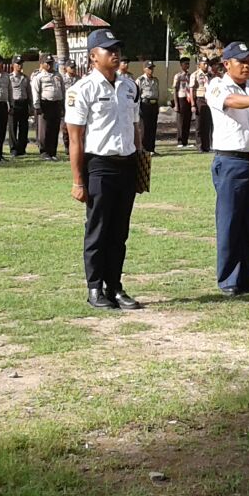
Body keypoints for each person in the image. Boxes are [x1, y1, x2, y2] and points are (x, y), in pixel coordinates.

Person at [65, 29, 143, 311]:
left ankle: (115, 286)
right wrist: (78, 180)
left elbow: (135, 127)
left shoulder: (129, 87)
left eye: (117, 49)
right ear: (92, 56)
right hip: (99, 166)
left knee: (120, 231)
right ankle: (95, 288)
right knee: (98, 229)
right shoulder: (82, 90)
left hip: (127, 164)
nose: (115, 54)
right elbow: (75, 138)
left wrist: (140, 161)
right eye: (108, 49)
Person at [207, 42, 249, 296]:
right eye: (241, 61)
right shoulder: (217, 86)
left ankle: (248, 277)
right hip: (231, 161)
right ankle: (228, 279)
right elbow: (232, 102)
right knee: (230, 221)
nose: (247, 66)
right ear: (227, 64)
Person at [31, 56, 65, 161]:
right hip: (45, 104)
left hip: (57, 103)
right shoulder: (38, 76)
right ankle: (44, 152)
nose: (50, 65)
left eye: (51, 63)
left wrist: (63, 105)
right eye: (47, 63)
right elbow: (35, 91)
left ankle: (52, 152)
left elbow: (62, 90)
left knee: (54, 128)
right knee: (44, 129)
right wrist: (37, 106)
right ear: (42, 64)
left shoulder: (58, 75)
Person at [8, 60, 31, 157]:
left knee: (24, 127)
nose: (20, 65)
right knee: (13, 127)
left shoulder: (25, 78)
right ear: (13, 65)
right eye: (18, 64)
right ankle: (13, 149)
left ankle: (22, 149)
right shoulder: (9, 77)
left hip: (24, 103)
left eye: (21, 63)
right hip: (14, 103)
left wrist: (31, 105)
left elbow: (29, 92)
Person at [137, 61, 161, 155]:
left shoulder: (155, 80)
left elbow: (157, 93)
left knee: (153, 127)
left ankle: (152, 148)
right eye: (149, 68)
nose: (151, 70)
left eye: (152, 68)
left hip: (153, 104)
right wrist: (138, 108)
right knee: (144, 128)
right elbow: (137, 95)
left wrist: (157, 105)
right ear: (145, 69)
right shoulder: (140, 80)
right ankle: (144, 149)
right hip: (145, 104)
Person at [191, 57, 213, 153]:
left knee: (207, 124)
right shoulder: (195, 75)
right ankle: (199, 145)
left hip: (208, 100)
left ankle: (207, 146)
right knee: (199, 124)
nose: (206, 65)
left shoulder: (210, 75)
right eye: (204, 63)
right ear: (199, 64)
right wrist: (193, 104)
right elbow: (192, 90)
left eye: (207, 64)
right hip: (199, 99)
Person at [171, 57, 193, 147]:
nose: (187, 65)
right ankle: (180, 141)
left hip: (188, 99)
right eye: (185, 64)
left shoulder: (190, 75)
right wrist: (176, 104)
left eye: (188, 63)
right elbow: (175, 89)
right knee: (181, 121)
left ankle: (185, 141)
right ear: (181, 65)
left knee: (188, 120)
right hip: (181, 98)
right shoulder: (178, 76)